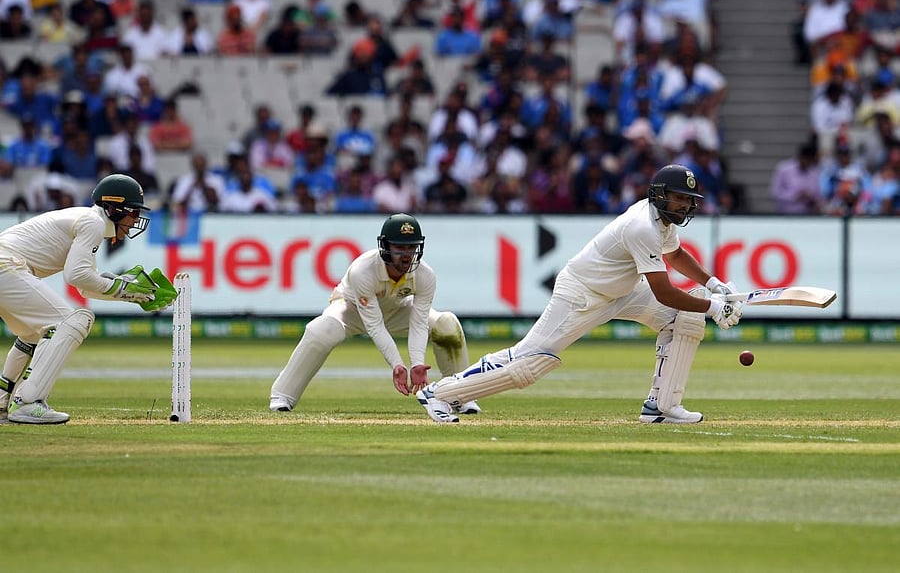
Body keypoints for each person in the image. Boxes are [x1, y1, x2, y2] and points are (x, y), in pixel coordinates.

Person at [416, 164, 743, 424]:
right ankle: (441, 393)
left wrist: (713, 283)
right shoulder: (642, 226)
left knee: (683, 319)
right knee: (530, 362)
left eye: (688, 200)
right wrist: (712, 307)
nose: (685, 205)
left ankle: (662, 407)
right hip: (583, 293)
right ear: (659, 195)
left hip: (624, 291)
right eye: (679, 198)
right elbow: (664, 291)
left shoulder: (663, 220)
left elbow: (675, 256)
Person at [0, 174, 172, 424]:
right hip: (6, 266)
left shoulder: (89, 221)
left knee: (32, 334)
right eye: (133, 213)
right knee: (74, 320)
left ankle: (2, 402)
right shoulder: (92, 222)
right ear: (114, 208)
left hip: (7, 268)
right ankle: (27, 402)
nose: (135, 220)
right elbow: (76, 275)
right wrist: (124, 288)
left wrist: (131, 294)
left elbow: (86, 286)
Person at [269, 214, 481, 415]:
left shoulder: (425, 275)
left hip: (396, 309)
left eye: (411, 247)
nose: (406, 255)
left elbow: (419, 323)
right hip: (351, 309)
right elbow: (374, 325)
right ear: (385, 247)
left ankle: (461, 395)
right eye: (399, 247)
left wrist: (416, 364)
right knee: (322, 330)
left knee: (447, 324)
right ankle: (282, 396)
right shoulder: (363, 270)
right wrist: (397, 364)